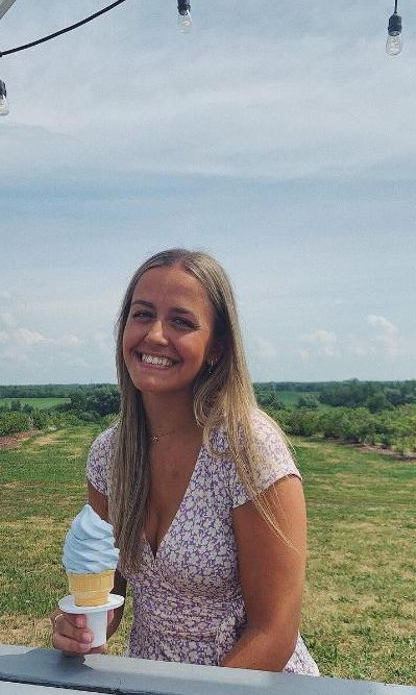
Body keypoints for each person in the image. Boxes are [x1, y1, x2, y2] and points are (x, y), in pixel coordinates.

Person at [50, 248, 319, 674]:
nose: (155, 335)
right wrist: (80, 629)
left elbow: (273, 634)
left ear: (216, 347)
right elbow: (109, 597)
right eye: (142, 314)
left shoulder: (248, 451)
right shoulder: (109, 455)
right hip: (151, 679)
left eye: (181, 321)